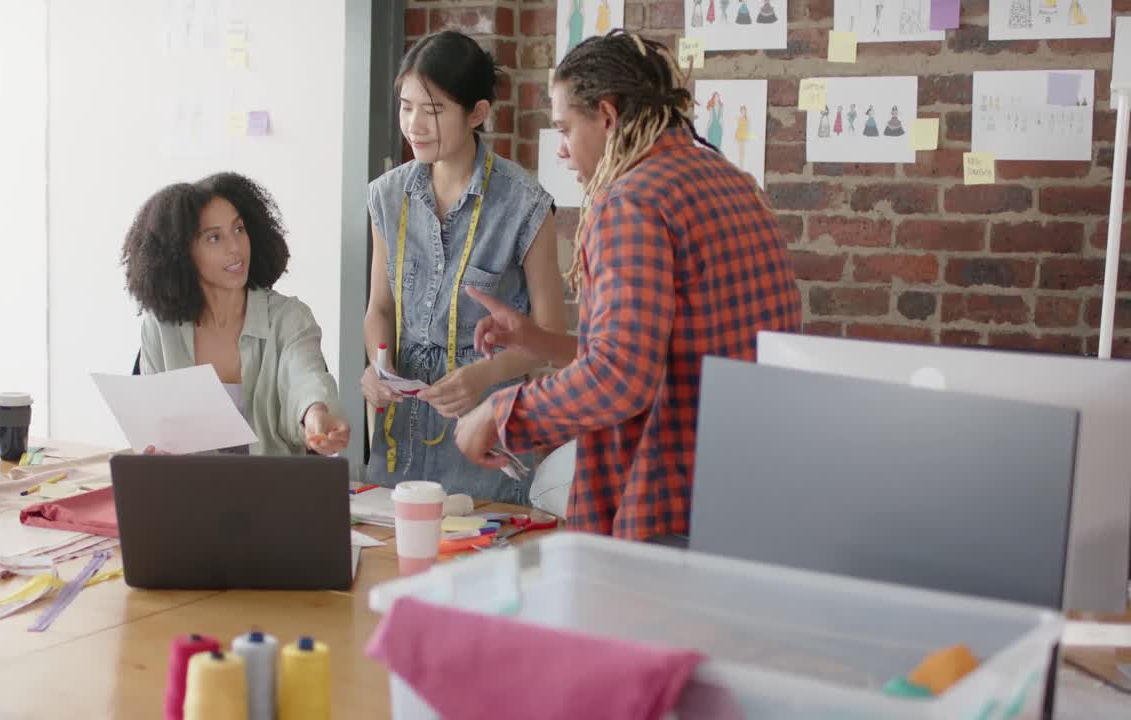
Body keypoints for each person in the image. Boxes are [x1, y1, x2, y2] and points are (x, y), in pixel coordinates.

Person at [453, 30, 801, 540]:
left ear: (608, 117)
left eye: (566, 129)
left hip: (669, 500)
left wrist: (501, 412)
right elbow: (659, 357)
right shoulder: (731, 182)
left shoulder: (632, 202)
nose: (565, 152)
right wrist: (541, 342)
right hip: (744, 494)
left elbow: (620, 378)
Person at [361, 31, 567, 503]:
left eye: (432, 111)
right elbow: (381, 308)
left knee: (481, 569)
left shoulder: (525, 204)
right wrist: (378, 364)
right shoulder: (387, 197)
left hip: (484, 440)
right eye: (406, 106)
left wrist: (484, 375)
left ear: (477, 113)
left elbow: (551, 336)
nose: (414, 124)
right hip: (400, 443)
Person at [122, 172, 349, 457]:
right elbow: (153, 426)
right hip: (189, 492)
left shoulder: (289, 318)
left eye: (239, 229)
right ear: (180, 253)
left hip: (275, 492)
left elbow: (306, 378)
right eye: (214, 237)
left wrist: (316, 414)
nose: (235, 247)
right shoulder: (159, 328)